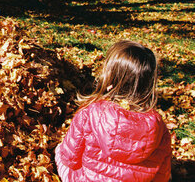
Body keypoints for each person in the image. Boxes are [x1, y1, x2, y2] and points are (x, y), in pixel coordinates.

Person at [55, 40, 171, 182]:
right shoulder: (159, 126)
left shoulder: (89, 113)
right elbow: (163, 175)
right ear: (148, 84)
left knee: (59, 150)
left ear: (110, 78)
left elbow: (69, 158)